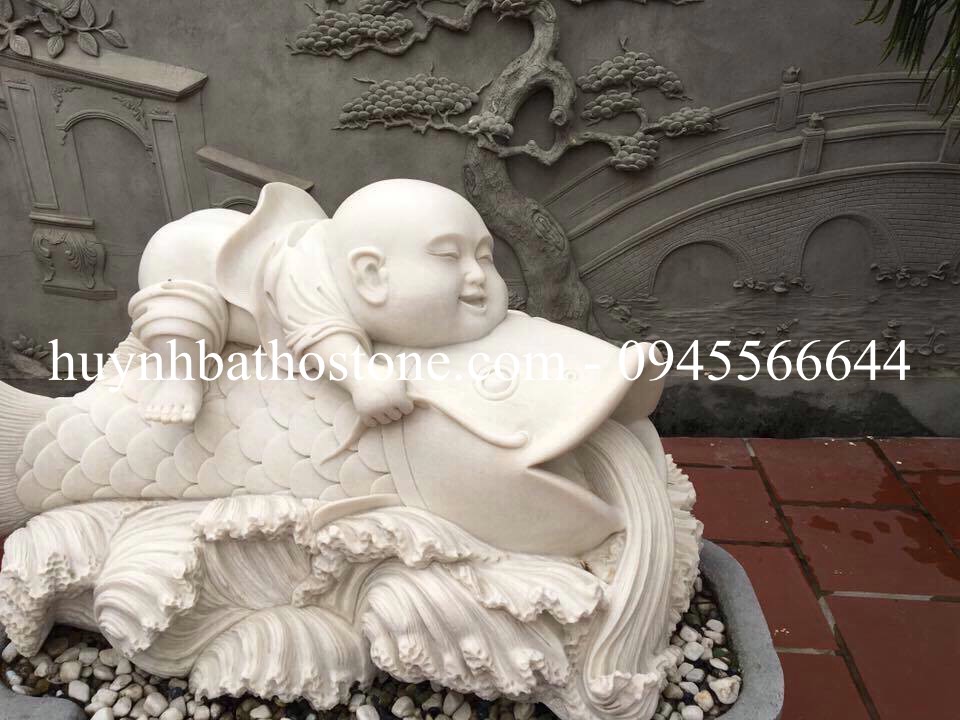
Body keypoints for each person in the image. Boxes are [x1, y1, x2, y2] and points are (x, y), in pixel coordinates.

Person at [129, 179, 509, 426]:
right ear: (370, 275)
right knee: (180, 316)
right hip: (184, 264)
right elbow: (323, 335)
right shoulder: (306, 278)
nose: (477, 275)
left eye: (484, 257)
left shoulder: (339, 259)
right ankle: (180, 376)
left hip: (243, 236)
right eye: (448, 256)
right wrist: (362, 377)